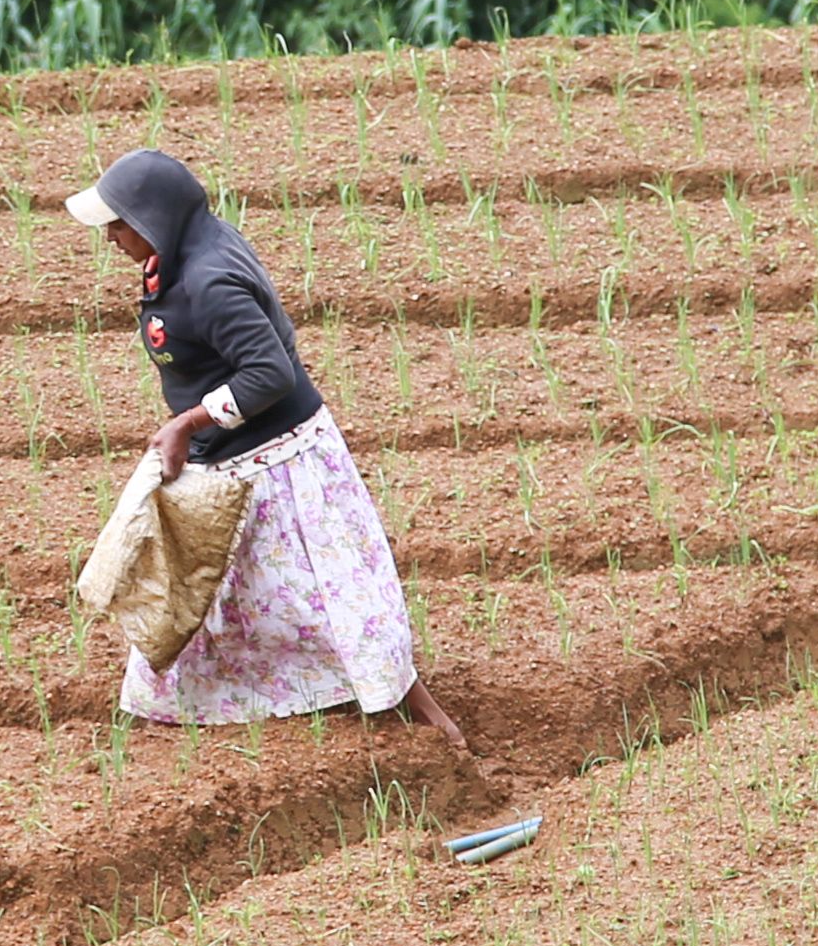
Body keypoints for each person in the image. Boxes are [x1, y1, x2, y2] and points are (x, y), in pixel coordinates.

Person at [66, 148, 536, 861]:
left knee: (338, 594)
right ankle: (165, 717)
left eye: (118, 225)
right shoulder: (182, 258)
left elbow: (270, 372)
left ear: (153, 221)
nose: (111, 239)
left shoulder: (210, 278)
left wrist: (186, 423)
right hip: (226, 463)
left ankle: (430, 722)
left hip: (282, 464)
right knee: (206, 595)